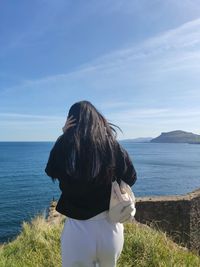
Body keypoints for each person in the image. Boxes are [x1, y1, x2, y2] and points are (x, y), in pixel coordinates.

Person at [45, 100, 137, 267]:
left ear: (70, 121)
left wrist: (63, 136)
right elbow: (131, 177)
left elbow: (50, 171)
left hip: (77, 232)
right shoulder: (112, 145)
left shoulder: (66, 147)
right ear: (97, 119)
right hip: (111, 227)